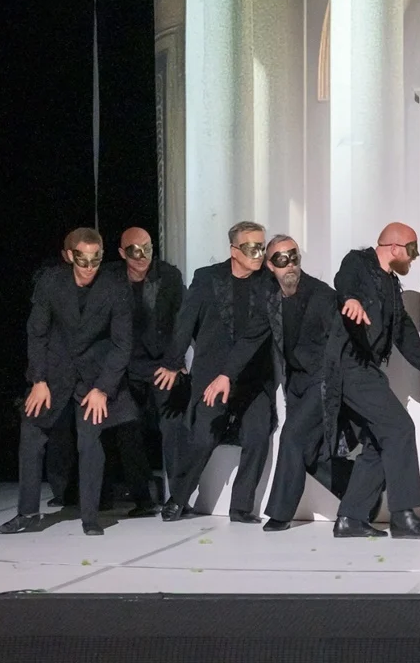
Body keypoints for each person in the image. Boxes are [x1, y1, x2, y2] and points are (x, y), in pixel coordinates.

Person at [0, 228, 134, 536]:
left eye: (96, 260)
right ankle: (27, 514)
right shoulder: (51, 282)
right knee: (31, 432)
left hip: (94, 376)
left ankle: (90, 517)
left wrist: (103, 388)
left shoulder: (115, 287)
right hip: (55, 371)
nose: (89, 267)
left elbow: (121, 344)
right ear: (70, 256)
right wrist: (38, 379)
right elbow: (37, 333)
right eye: (83, 260)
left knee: (90, 441)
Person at [154, 221, 277, 523]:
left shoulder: (268, 283)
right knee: (203, 439)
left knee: (257, 436)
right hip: (212, 375)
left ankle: (241, 507)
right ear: (234, 250)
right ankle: (178, 498)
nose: (259, 254)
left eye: (262, 247)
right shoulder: (207, 278)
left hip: (253, 377)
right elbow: (185, 322)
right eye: (252, 248)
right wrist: (173, 361)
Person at [326, 222, 420, 538]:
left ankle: (350, 518)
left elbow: (403, 330)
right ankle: (403, 516)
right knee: (400, 427)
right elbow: (344, 281)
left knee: (379, 442)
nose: (414, 257)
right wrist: (350, 300)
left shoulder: (391, 284)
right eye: (412, 249)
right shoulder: (358, 262)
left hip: (367, 369)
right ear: (394, 247)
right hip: (349, 366)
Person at [98, 227, 186, 515]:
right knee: (126, 431)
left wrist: (173, 362)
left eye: (147, 248)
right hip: (124, 366)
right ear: (122, 253)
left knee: (172, 429)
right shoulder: (110, 277)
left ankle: (179, 498)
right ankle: (142, 499)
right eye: (134, 250)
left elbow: (183, 321)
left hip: (161, 365)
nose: (142, 255)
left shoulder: (168, 276)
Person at [262, 235, 347, 531]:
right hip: (294, 382)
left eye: (294, 257)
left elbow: (339, 344)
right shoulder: (270, 295)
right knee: (309, 451)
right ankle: (359, 490)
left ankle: (279, 514)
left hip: (321, 380)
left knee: (291, 438)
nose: (290, 265)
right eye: (281, 259)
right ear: (270, 265)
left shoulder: (321, 295)